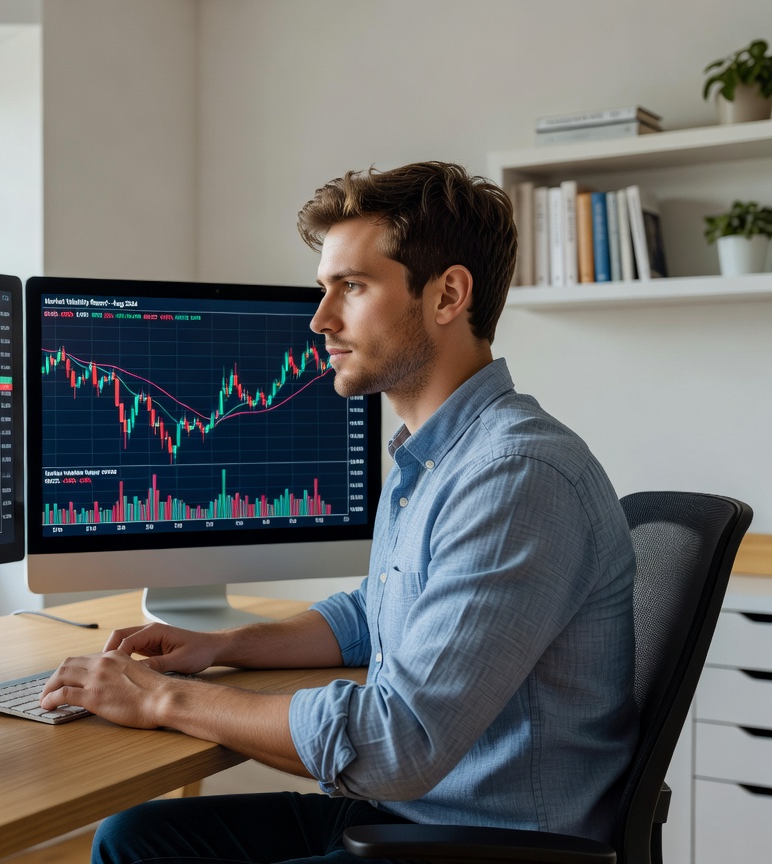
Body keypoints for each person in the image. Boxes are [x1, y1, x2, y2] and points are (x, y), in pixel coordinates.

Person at [38, 161, 639, 864]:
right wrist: (224, 647)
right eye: (325, 290)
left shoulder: (514, 478)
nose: (320, 319)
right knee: (136, 837)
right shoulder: (440, 457)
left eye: (351, 287)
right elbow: (374, 612)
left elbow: (398, 743)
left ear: (448, 295)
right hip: (416, 814)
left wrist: (162, 701)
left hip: (481, 842)